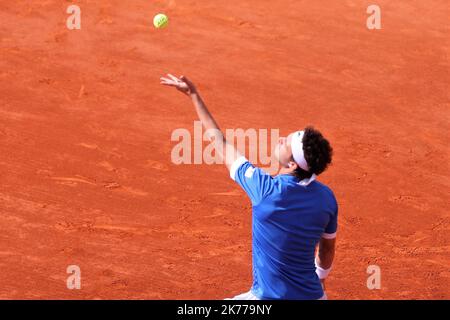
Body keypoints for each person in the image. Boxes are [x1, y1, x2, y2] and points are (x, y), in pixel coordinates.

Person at [160, 74, 337, 300]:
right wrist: (320, 278)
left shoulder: (264, 189)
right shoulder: (327, 199)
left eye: (287, 142)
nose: (281, 138)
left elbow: (221, 143)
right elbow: (327, 250)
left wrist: (193, 95)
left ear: (292, 163)